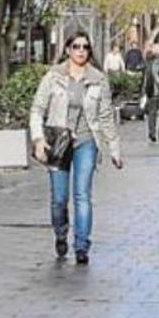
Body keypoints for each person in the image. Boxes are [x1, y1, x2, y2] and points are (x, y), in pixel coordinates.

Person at [30, 31, 124, 265]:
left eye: (85, 47)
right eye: (76, 46)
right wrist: (38, 139)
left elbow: (105, 116)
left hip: (86, 141)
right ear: (68, 49)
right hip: (58, 142)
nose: (81, 50)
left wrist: (114, 148)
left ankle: (82, 245)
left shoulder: (98, 79)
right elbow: (37, 109)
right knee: (59, 199)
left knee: (82, 195)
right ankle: (61, 233)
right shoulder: (54, 76)